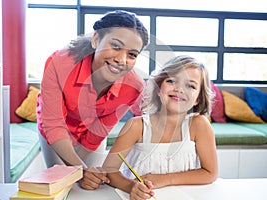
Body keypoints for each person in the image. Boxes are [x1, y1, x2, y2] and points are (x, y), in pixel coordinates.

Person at [36, 10, 149, 190]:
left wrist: (84, 172)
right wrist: (79, 170)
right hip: (56, 131)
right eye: (116, 46)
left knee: (91, 185)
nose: (121, 60)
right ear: (96, 39)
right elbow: (54, 124)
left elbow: (99, 129)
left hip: (90, 136)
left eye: (132, 55)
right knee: (63, 186)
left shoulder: (133, 87)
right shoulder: (60, 62)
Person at [103, 55, 218, 199]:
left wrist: (165, 179)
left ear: (198, 99)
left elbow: (210, 173)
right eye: (171, 80)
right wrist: (132, 187)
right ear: (158, 88)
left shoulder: (199, 125)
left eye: (190, 85)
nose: (179, 89)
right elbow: (109, 170)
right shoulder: (136, 126)